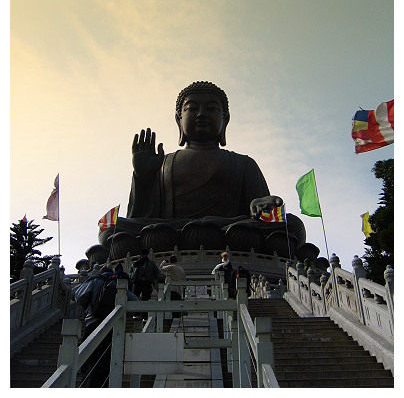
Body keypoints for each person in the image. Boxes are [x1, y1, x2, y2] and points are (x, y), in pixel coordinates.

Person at [97, 81, 307, 257]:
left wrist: (261, 204)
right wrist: (143, 178)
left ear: (225, 120)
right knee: (111, 230)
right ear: (179, 119)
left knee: (292, 225)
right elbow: (140, 216)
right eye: (192, 108)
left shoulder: (243, 164)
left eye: (212, 109)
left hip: (230, 231)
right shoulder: (164, 163)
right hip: (172, 232)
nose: (201, 114)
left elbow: (261, 211)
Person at [78, 264, 139, 387]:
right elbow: (136, 302)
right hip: (112, 326)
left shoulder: (94, 281)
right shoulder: (117, 284)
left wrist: (90, 308)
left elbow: (79, 296)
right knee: (106, 362)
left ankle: (87, 384)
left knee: (88, 358)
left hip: (92, 324)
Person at [129, 248, 165, 319]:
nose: (144, 256)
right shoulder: (135, 264)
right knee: (135, 298)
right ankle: (136, 313)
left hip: (147, 283)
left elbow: (157, 273)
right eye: (143, 255)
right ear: (140, 255)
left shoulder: (151, 264)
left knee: (146, 299)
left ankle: (145, 315)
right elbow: (130, 274)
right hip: (137, 282)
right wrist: (134, 273)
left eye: (145, 254)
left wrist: (162, 278)